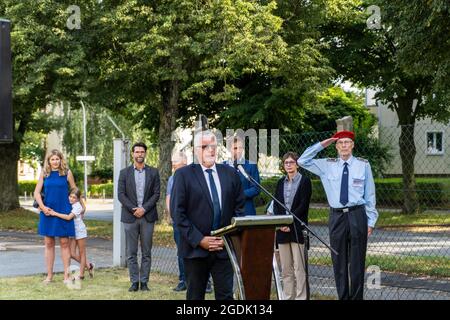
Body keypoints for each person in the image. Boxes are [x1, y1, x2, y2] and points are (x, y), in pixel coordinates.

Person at [298, 130, 378, 300]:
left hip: (357, 215)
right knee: (338, 262)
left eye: (347, 142)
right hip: (337, 217)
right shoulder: (327, 164)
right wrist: (322, 144)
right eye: (340, 143)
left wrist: (371, 221)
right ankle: (343, 297)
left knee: (357, 263)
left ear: (353, 145)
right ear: (336, 146)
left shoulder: (363, 165)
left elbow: (370, 195)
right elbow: (302, 161)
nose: (344, 146)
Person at [170, 130, 245, 300]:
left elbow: (239, 209)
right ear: (196, 150)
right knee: (195, 297)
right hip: (195, 250)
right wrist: (200, 240)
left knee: (226, 296)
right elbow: (178, 213)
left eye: (213, 146)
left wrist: (227, 237)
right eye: (205, 146)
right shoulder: (183, 175)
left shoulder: (230, 173)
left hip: (223, 248)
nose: (210, 150)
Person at [118, 142, 160, 292]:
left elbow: (156, 194)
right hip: (130, 217)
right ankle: (134, 282)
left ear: (145, 154)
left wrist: (144, 209)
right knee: (131, 252)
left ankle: (144, 282)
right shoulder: (124, 173)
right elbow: (121, 195)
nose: (139, 154)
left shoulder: (154, 172)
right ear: (132, 154)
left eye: (142, 152)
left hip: (147, 217)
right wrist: (133, 208)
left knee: (147, 252)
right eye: (137, 152)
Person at [34, 149, 78, 284]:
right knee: (48, 243)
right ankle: (49, 276)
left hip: (64, 211)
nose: (55, 162)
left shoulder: (67, 173)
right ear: (48, 161)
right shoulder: (44, 173)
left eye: (57, 159)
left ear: (61, 160)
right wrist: (42, 207)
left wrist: (80, 207)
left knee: (64, 243)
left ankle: (66, 276)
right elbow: (36, 193)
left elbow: (75, 190)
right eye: (52, 159)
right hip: (47, 211)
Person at [273, 152, 312, 300]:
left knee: (299, 268)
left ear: (297, 164)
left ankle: (301, 297)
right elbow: (276, 204)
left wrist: (289, 222)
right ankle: (288, 296)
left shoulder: (305, 181)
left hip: (297, 229)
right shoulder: (280, 183)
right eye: (286, 163)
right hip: (282, 230)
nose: (288, 165)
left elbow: (303, 206)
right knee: (286, 269)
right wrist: (281, 222)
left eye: (291, 162)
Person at [48, 187, 94, 280]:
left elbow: (69, 217)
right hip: (73, 231)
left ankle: (81, 275)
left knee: (82, 252)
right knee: (72, 253)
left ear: (77, 199)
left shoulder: (77, 206)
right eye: (70, 196)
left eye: (74, 198)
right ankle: (89, 266)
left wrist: (54, 213)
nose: (71, 199)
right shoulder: (69, 203)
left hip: (80, 231)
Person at [166, 151, 188, 292]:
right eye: (172, 161)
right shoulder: (171, 178)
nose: (173, 164)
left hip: (193, 221)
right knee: (181, 251)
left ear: (184, 161)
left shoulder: (192, 175)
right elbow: (169, 197)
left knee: (198, 250)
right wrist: (171, 214)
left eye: (175, 161)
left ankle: (206, 282)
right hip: (177, 222)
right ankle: (183, 280)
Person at [224, 136, 260, 215]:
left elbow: (256, 188)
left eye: (241, 148)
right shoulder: (222, 166)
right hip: (227, 212)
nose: (239, 151)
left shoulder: (251, 165)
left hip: (246, 210)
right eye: (235, 148)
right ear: (229, 149)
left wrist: (240, 195)